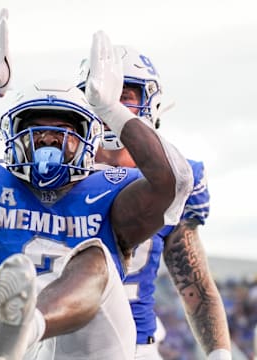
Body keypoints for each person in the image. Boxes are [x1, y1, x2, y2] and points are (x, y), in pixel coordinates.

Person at [0, 8, 193, 360]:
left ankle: (22, 326)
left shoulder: (110, 192)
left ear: (88, 138)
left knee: (95, 256)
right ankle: (11, 336)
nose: (48, 138)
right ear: (12, 137)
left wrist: (112, 110)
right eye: (35, 127)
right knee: (55, 264)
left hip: (85, 350)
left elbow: (174, 182)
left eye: (63, 130)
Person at [78, 45, 232, 360]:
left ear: (152, 102)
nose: (110, 105)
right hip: (57, 344)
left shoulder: (175, 179)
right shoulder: (57, 174)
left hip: (136, 348)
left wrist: (219, 354)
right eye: (104, 93)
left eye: (125, 96)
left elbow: (195, 286)